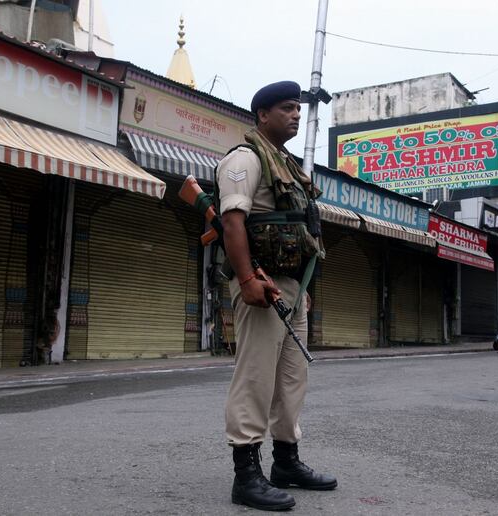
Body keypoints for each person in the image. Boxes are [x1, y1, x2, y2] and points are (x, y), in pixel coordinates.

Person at [215, 80, 337, 511]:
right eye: (287, 108)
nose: (296, 115)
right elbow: (232, 223)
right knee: (256, 376)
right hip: (262, 285)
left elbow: (302, 230)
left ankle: (286, 461)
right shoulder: (245, 159)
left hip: (291, 287)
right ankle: (246, 475)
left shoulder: (286, 164)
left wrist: (303, 291)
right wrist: (247, 280)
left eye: (298, 110)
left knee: (290, 381)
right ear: (263, 114)